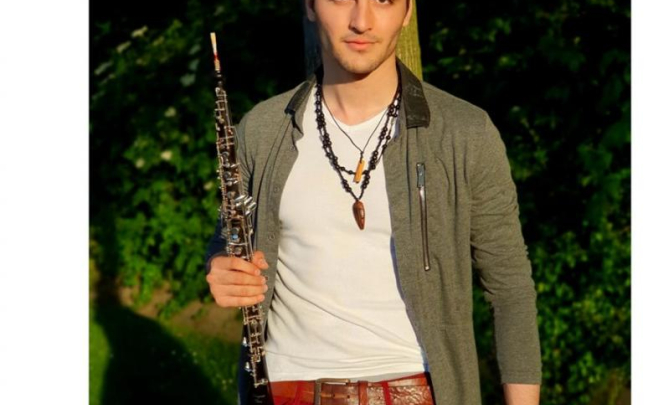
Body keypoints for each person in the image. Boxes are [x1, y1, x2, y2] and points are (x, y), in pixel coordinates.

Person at [204, 0, 542, 404]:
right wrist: (221, 266)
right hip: (286, 389)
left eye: (382, 0)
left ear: (408, 10)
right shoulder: (262, 130)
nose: (361, 21)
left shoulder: (464, 133)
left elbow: (510, 288)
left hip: (416, 392)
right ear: (310, 6)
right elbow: (227, 238)